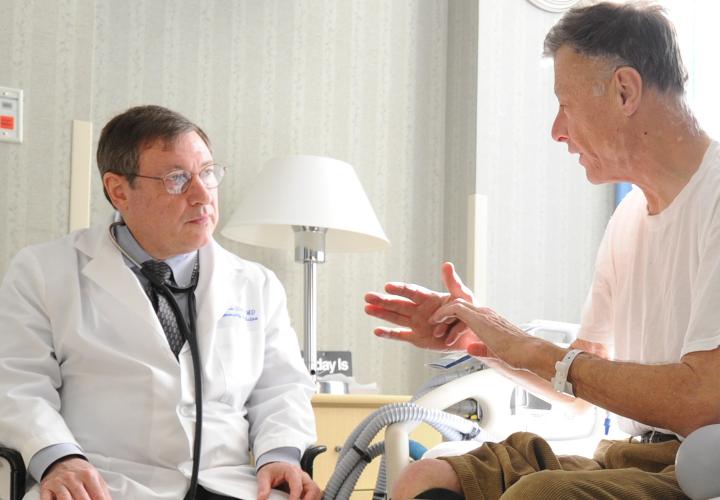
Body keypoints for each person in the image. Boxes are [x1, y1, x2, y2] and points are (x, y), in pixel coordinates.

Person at [365, 2, 720, 499]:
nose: (558, 130)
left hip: (702, 466)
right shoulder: (628, 219)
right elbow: (580, 383)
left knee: (539, 494)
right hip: (631, 455)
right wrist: (482, 338)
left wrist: (538, 351)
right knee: (430, 477)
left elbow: (703, 399)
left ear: (624, 90)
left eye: (566, 104)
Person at [0, 105, 322, 500]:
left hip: (231, 483)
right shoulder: (43, 271)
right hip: (105, 483)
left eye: (206, 172)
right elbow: (18, 383)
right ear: (119, 191)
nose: (202, 195)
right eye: (177, 179)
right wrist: (58, 460)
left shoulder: (256, 283)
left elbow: (282, 388)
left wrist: (279, 455)